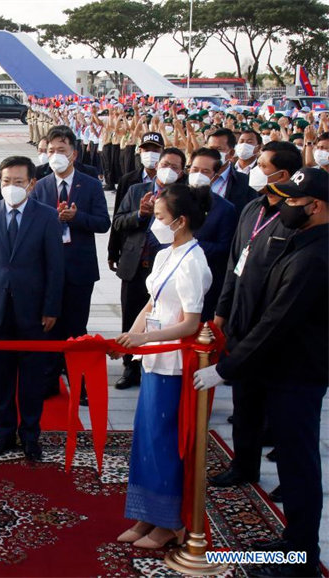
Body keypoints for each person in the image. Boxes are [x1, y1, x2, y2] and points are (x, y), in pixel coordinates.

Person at [195, 168, 328, 578]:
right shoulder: (301, 239)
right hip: (274, 365)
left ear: (317, 207)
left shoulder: (316, 255)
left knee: (297, 462)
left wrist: (227, 367)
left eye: (293, 201)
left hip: (296, 372)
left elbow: (278, 320)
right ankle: (293, 542)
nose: (285, 207)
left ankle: (300, 554)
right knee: (291, 457)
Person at [114, 183, 212, 549]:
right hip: (153, 359)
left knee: (165, 443)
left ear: (181, 221)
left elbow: (190, 324)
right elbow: (150, 305)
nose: (153, 223)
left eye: (159, 218)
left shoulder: (193, 262)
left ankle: (169, 523)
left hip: (173, 364)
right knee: (146, 441)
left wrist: (146, 340)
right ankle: (146, 514)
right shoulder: (164, 254)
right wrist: (128, 338)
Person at [209, 141, 301, 492]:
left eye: (263, 165)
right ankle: (243, 465)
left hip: (276, 331)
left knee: (282, 412)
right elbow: (235, 264)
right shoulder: (251, 208)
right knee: (244, 404)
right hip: (241, 324)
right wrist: (221, 313)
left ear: (285, 175)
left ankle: (290, 481)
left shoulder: (295, 218)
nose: (255, 170)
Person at [0, 156, 64, 461]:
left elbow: (55, 267)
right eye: (6, 181)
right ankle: (3, 432)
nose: (11, 187)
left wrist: (51, 308)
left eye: (18, 182)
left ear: (32, 184)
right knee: (1, 377)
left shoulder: (48, 217)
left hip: (35, 312)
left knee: (32, 378)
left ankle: (31, 435)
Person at [31, 125, 110, 404]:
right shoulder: (40, 186)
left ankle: (80, 384)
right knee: (49, 325)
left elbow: (103, 222)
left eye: (61, 150)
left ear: (74, 154)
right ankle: (50, 380)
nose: (55, 156)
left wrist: (76, 218)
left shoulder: (89, 184)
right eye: (50, 150)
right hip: (48, 270)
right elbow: (32, 225)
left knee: (76, 329)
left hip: (79, 269)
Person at [112, 147, 186, 389]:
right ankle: (130, 368)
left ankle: (155, 367)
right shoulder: (137, 191)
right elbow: (119, 222)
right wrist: (141, 214)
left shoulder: (183, 197)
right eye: (165, 164)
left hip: (167, 270)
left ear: (182, 171)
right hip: (136, 267)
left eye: (175, 167)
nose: (168, 169)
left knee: (163, 320)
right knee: (132, 318)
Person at [186, 149, 239, 320]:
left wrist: (190, 245)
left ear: (214, 176)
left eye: (205, 171)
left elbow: (225, 247)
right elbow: (155, 235)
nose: (198, 174)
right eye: (195, 170)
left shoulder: (225, 208)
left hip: (206, 283)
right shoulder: (171, 199)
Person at [108, 132, 166, 272]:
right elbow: (118, 216)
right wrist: (113, 252)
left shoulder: (172, 181)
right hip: (133, 251)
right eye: (146, 150)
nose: (150, 154)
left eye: (155, 150)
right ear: (140, 151)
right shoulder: (128, 180)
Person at [205, 128, 256, 213]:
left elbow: (250, 214)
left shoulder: (245, 182)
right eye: (210, 149)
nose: (213, 153)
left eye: (219, 149)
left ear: (231, 153)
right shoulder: (194, 176)